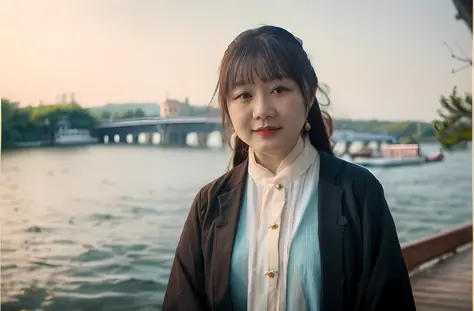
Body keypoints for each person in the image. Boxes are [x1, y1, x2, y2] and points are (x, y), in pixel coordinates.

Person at [162, 25, 416, 311]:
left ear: (308, 95)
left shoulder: (358, 190)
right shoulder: (208, 204)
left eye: (279, 89)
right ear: (228, 107)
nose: (262, 110)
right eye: (244, 95)